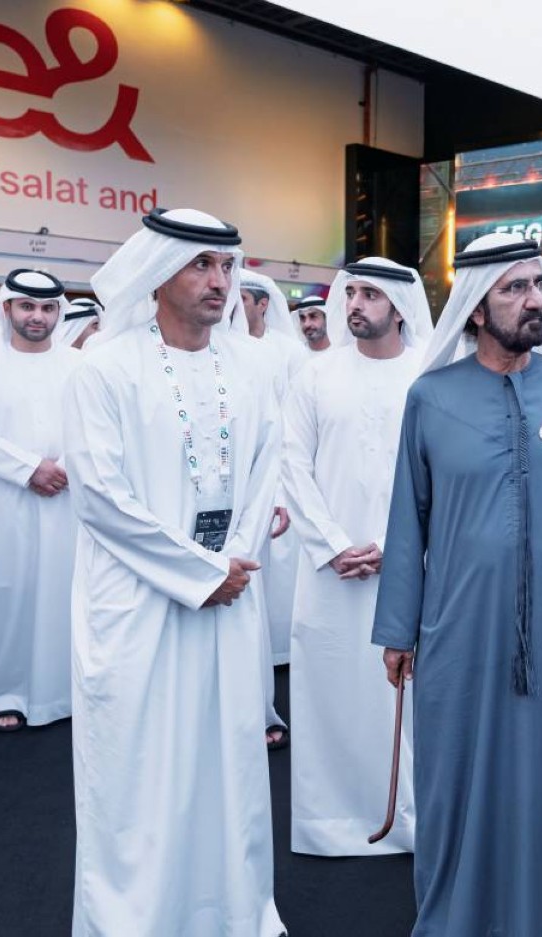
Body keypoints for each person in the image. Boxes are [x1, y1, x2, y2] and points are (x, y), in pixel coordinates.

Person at [372, 233, 542, 936]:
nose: (534, 301)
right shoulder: (431, 397)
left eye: (538, 285)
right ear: (475, 308)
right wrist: (398, 629)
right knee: (458, 776)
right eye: (514, 288)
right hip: (459, 629)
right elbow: (407, 519)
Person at [64, 208, 285, 936]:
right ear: (158, 273)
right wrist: (198, 573)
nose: (220, 281)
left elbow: (267, 470)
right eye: (200, 265)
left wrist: (232, 563)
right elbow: (100, 495)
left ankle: (231, 911)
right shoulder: (104, 367)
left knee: (227, 762)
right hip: (137, 602)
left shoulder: (251, 368)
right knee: (138, 769)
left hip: (230, 594)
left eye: (227, 266)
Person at [283, 257, 431, 856]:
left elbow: (443, 472)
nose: (355, 305)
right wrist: (332, 544)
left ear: (399, 306)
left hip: (412, 567)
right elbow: (291, 463)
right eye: (351, 293)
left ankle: (412, 817)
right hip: (331, 570)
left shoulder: (429, 374)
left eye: (371, 294)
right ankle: (329, 823)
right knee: (330, 690)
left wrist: (399, 549)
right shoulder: (315, 375)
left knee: (407, 696)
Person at [0, 269, 80, 732]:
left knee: (65, 595)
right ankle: (6, 693)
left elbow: (98, 426)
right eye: (27, 306)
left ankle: (64, 693)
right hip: (5, 499)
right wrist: (29, 468)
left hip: (68, 497)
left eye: (47, 308)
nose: (38, 316)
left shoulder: (79, 364)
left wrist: (63, 465)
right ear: (6, 308)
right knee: (6, 595)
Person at [238, 269, 305, 749]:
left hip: (279, 482)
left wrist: (282, 490)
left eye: (242, 298)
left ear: (263, 305)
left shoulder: (289, 353)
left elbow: (293, 428)